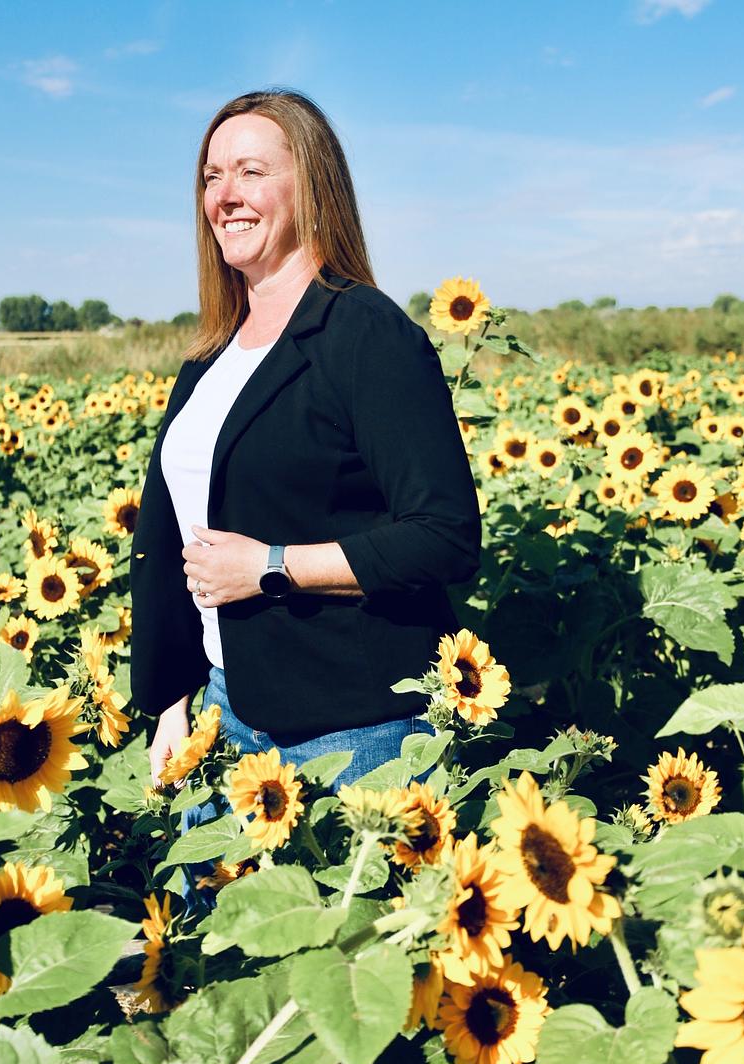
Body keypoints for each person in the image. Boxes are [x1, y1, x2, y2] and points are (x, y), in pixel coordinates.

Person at [129, 88, 482, 913]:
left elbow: (444, 536)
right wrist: (174, 701)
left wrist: (273, 567)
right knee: (219, 962)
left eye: (252, 171)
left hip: (353, 730)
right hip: (224, 713)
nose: (226, 194)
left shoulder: (366, 334)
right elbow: (174, 535)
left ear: (312, 184)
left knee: (347, 977)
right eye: (212, 176)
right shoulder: (211, 356)